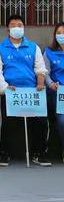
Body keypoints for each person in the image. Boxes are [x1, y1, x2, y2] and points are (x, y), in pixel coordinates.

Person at [0, 14, 50, 167]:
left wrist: (40, 84)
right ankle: (3, 152)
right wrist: (5, 87)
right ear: (8, 29)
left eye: (20, 25)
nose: (17, 28)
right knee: (7, 122)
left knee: (41, 121)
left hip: (31, 91)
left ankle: (40, 152)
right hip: (10, 91)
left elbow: (40, 68)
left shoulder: (33, 47)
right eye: (13, 25)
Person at [43, 22, 64, 162]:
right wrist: (51, 84)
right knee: (62, 121)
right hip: (58, 93)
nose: (61, 36)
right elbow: (45, 74)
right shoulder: (49, 52)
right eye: (59, 33)